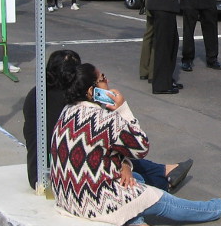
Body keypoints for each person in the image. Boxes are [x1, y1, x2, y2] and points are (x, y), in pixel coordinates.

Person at [50, 63, 221, 226]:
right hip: (92, 203)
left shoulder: (67, 111)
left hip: (67, 197)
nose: (107, 81)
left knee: (134, 178)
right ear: (92, 91)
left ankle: (136, 221)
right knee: (159, 200)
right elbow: (141, 146)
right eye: (102, 78)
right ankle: (216, 208)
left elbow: (99, 150)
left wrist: (124, 164)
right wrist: (123, 109)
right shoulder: (104, 119)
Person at [23, 49, 194, 192]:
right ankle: (163, 181)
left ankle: (165, 171)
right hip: (57, 174)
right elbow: (128, 144)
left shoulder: (35, 94)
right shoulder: (72, 104)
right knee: (128, 169)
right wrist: (121, 109)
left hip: (36, 171)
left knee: (120, 157)